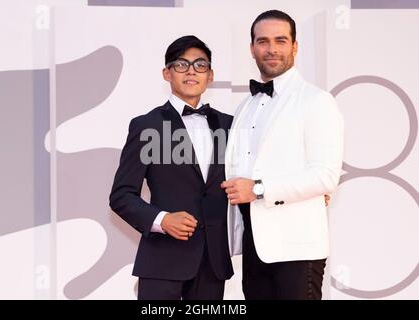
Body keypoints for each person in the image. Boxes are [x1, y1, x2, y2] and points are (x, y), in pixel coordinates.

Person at [222, 10, 344, 300]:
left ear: (295, 47)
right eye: (263, 41)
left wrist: (259, 188)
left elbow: (325, 175)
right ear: (252, 49)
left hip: (297, 248)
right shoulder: (245, 107)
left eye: (281, 40)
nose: (272, 49)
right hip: (254, 247)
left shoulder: (317, 101)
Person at [109, 35, 234, 300]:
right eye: (182, 64)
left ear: (210, 75)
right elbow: (121, 196)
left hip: (213, 264)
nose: (191, 71)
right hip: (162, 261)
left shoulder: (230, 126)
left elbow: (252, 174)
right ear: (167, 73)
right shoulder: (146, 126)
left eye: (200, 65)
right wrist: (162, 220)